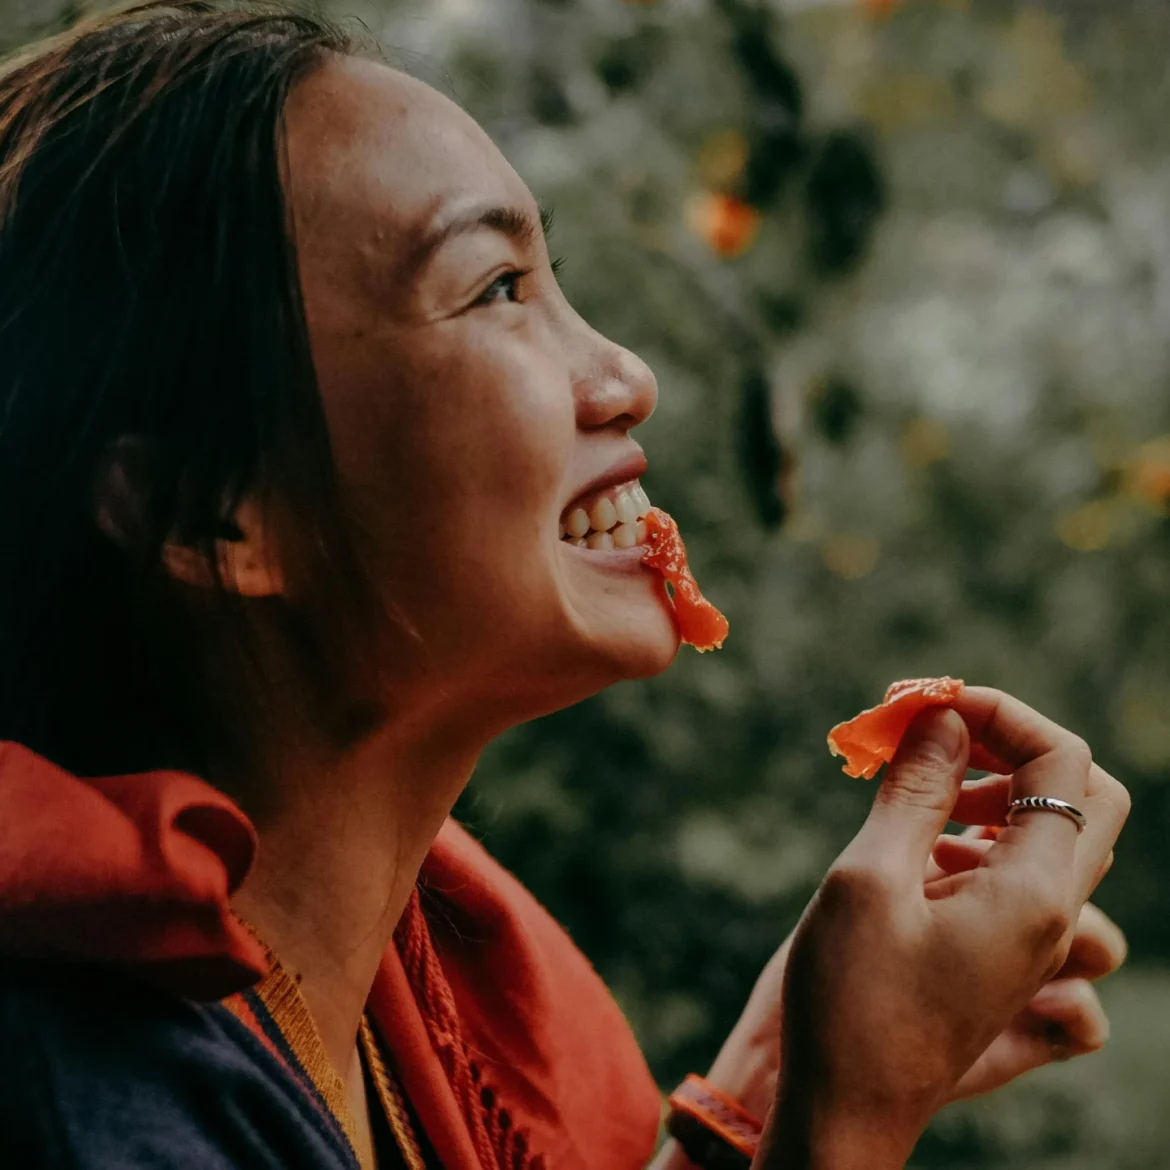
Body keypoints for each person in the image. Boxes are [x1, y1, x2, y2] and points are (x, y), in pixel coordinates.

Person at [0, 3, 1130, 1168]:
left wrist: (757, 1104)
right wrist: (849, 1126)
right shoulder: (75, 1095)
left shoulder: (386, 990)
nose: (625, 376)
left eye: (553, 281)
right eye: (494, 289)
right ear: (209, 515)